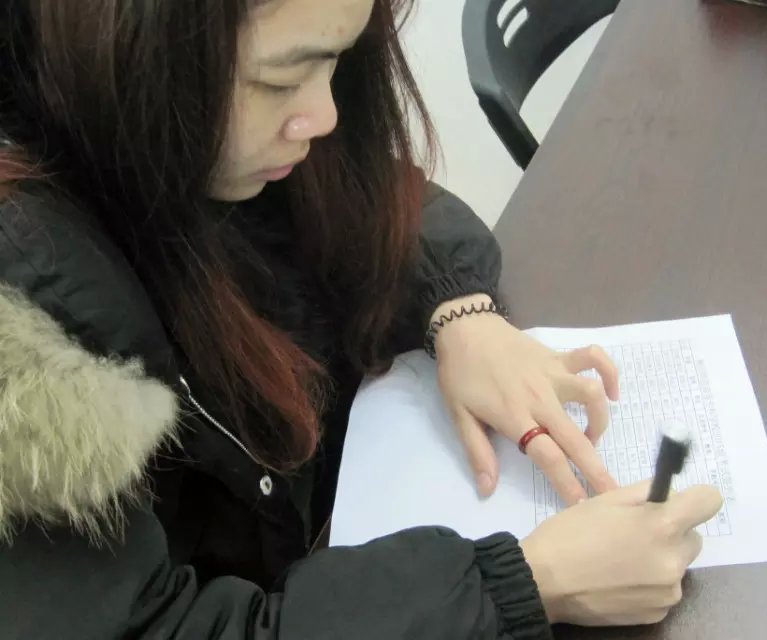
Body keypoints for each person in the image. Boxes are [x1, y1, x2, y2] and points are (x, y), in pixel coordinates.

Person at [0, 0, 723, 637]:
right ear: (127, 50)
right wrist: (524, 585)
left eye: (336, 61)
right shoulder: (26, 311)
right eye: (281, 80)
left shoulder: (213, 140)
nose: (324, 116)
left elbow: (372, 197)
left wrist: (460, 312)